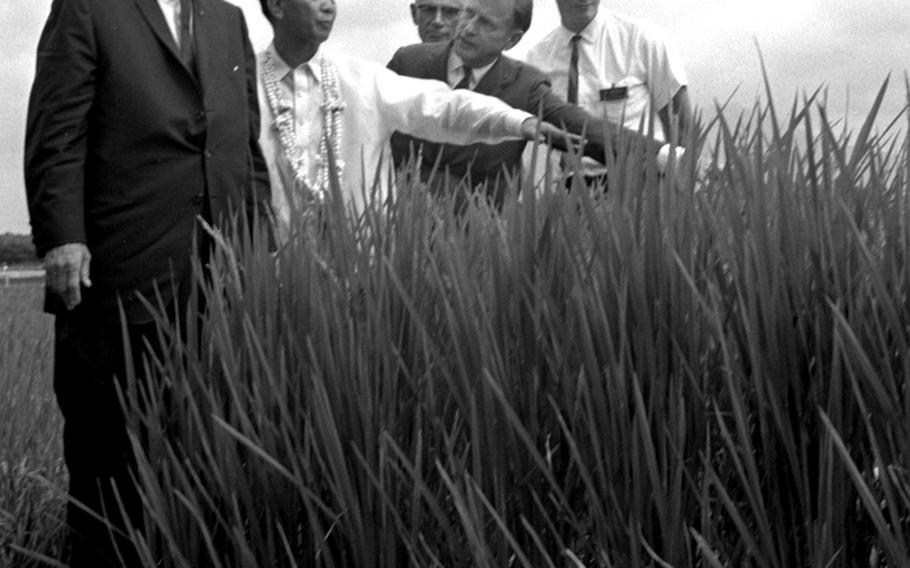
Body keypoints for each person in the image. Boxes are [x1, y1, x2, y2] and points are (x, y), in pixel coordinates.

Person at [24, 0, 270, 565]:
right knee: (109, 458)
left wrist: (260, 250)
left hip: (219, 274)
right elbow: (57, 132)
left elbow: (245, 146)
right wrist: (62, 236)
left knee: (203, 451)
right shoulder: (89, 9)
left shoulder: (226, 20)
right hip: (118, 271)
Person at [256, 0, 574, 239]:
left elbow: (441, 106)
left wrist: (517, 122)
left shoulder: (363, 81)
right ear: (278, 5)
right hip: (266, 261)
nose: (329, 7)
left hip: (362, 267)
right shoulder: (241, 85)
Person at [388, 0, 672, 204]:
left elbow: (586, 129)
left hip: (479, 244)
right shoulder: (408, 63)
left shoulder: (525, 85)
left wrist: (671, 159)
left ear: (511, 40)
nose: (469, 28)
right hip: (399, 232)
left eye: (485, 23)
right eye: (469, 13)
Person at [526, 0, 692, 181]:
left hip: (639, 183)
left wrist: (683, 189)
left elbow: (682, 127)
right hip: (569, 190)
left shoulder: (641, 38)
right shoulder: (537, 59)